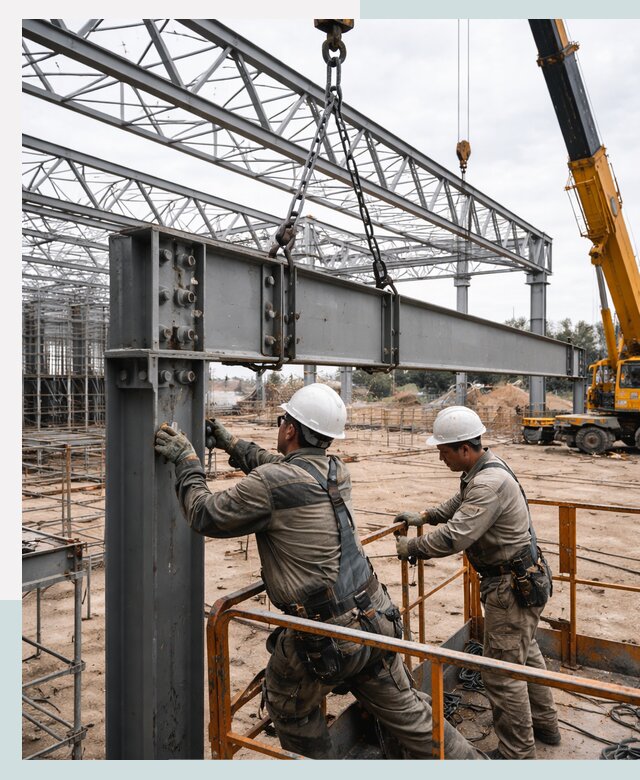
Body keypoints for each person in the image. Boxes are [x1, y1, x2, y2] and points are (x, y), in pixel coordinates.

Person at [155, 383, 484, 760]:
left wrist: (187, 462)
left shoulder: (273, 483)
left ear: (291, 430)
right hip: (376, 616)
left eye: (283, 421)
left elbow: (204, 513)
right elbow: (279, 470)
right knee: (412, 714)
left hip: (326, 634)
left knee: (290, 709)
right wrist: (232, 444)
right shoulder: (334, 471)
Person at [394, 405, 560, 760]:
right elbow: (459, 503)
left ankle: (517, 755)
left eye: (444, 452)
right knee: (526, 656)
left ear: (464, 449)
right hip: (523, 578)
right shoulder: (484, 468)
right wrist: (425, 515)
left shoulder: (488, 483)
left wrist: (413, 547)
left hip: (510, 588)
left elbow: (455, 536)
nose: (441, 459)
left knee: (501, 675)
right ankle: (546, 725)